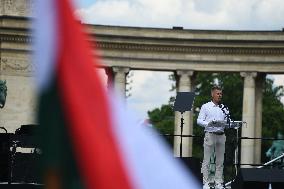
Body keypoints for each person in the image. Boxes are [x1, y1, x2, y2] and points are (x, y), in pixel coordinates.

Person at [197, 85, 228, 189]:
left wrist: (227, 124)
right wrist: (209, 124)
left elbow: (227, 121)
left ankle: (218, 182)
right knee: (207, 160)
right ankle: (205, 183)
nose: (220, 95)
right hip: (210, 134)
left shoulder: (224, 108)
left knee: (220, 161)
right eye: (218, 93)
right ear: (212, 94)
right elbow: (199, 120)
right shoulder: (206, 106)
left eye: (221, 94)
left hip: (221, 135)